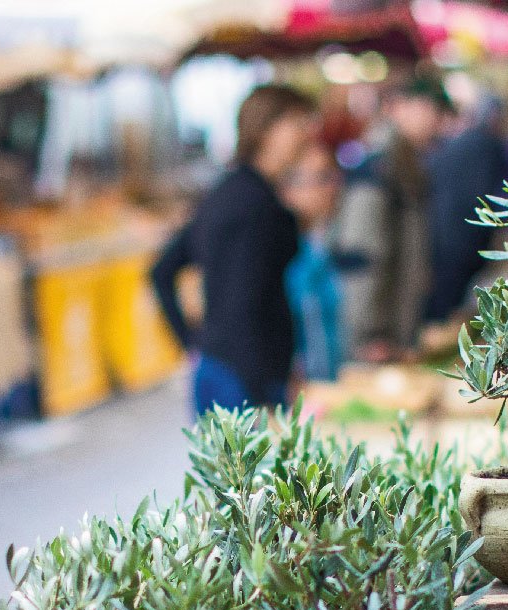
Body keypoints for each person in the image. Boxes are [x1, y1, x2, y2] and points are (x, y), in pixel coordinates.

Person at [151, 83, 319, 416]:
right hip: (244, 380)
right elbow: (246, 303)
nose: (307, 134)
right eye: (299, 123)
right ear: (269, 130)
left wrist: (196, 346)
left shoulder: (229, 192)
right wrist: (261, 396)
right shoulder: (254, 203)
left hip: (223, 368)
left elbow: (163, 271)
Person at [337, 77, 445, 363]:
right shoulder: (379, 165)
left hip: (396, 330)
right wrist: (371, 333)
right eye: (430, 109)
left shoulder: (405, 162)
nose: (437, 121)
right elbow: (360, 255)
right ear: (398, 107)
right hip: (377, 341)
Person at [424, 92, 508, 326]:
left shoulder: (456, 144)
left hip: (442, 239)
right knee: (448, 315)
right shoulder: (489, 147)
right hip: (464, 243)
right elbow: (492, 197)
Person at [278, 143, 346, 390]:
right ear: (288, 189)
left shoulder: (323, 244)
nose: (333, 188)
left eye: (333, 176)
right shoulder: (283, 253)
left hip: (330, 386)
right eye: (321, 178)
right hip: (298, 392)